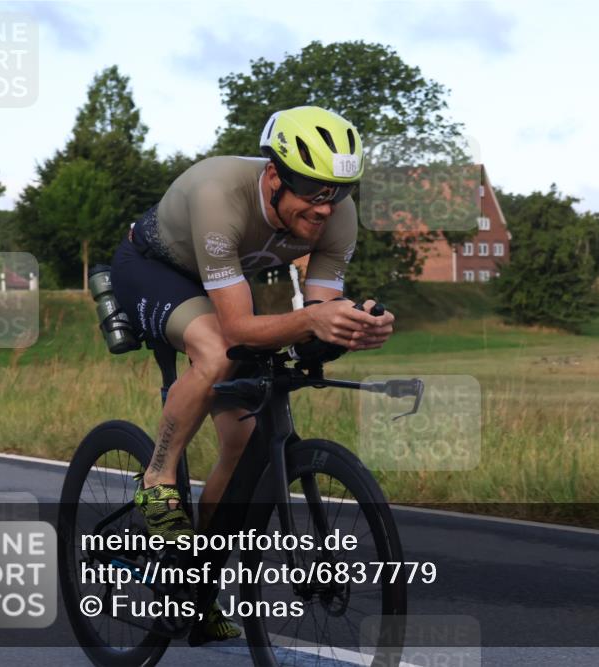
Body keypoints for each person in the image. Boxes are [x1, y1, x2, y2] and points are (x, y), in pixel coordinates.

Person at [109, 106, 394, 643]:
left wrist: (355, 327)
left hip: (227, 284)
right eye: (310, 189)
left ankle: (198, 586)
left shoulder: (338, 215)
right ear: (273, 175)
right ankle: (157, 479)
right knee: (215, 351)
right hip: (154, 270)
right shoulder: (220, 193)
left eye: (337, 191)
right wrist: (310, 318)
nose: (322, 207)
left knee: (243, 442)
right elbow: (238, 327)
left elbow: (317, 313)